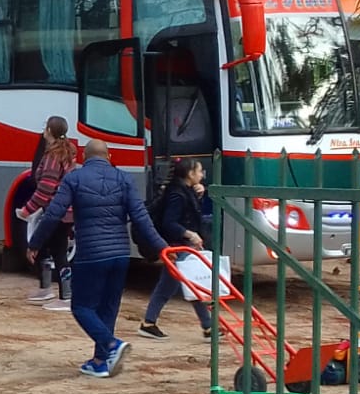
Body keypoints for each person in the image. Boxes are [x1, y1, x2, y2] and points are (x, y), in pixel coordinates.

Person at [29, 139, 166, 379]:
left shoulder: (74, 179)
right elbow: (141, 218)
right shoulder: (124, 179)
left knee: (81, 307)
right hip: (121, 255)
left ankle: (111, 344)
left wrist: (35, 244)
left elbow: (53, 214)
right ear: (109, 156)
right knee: (108, 309)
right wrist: (162, 248)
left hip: (91, 254)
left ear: (83, 157)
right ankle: (101, 361)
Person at [137, 158, 214, 340]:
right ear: (190, 174)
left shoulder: (185, 190)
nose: (202, 175)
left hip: (181, 246)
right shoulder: (177, 194)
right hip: (176, 246)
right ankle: (149, 323)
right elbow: (170, 223)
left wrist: (199, 194)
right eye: (199, 171)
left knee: (186, 283)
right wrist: (190, 234)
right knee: (179, 285)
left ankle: (208, 326)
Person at [17, 116, 78, 306]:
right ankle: (45, 289)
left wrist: (27, 210)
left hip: (56, 212)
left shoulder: (53, 156)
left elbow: (45, 188)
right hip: (64, 211)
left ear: (49, 131)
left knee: (58, 252)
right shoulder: (67, 152)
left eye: (45, 128)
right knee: (44, 247)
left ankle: (66, 296)